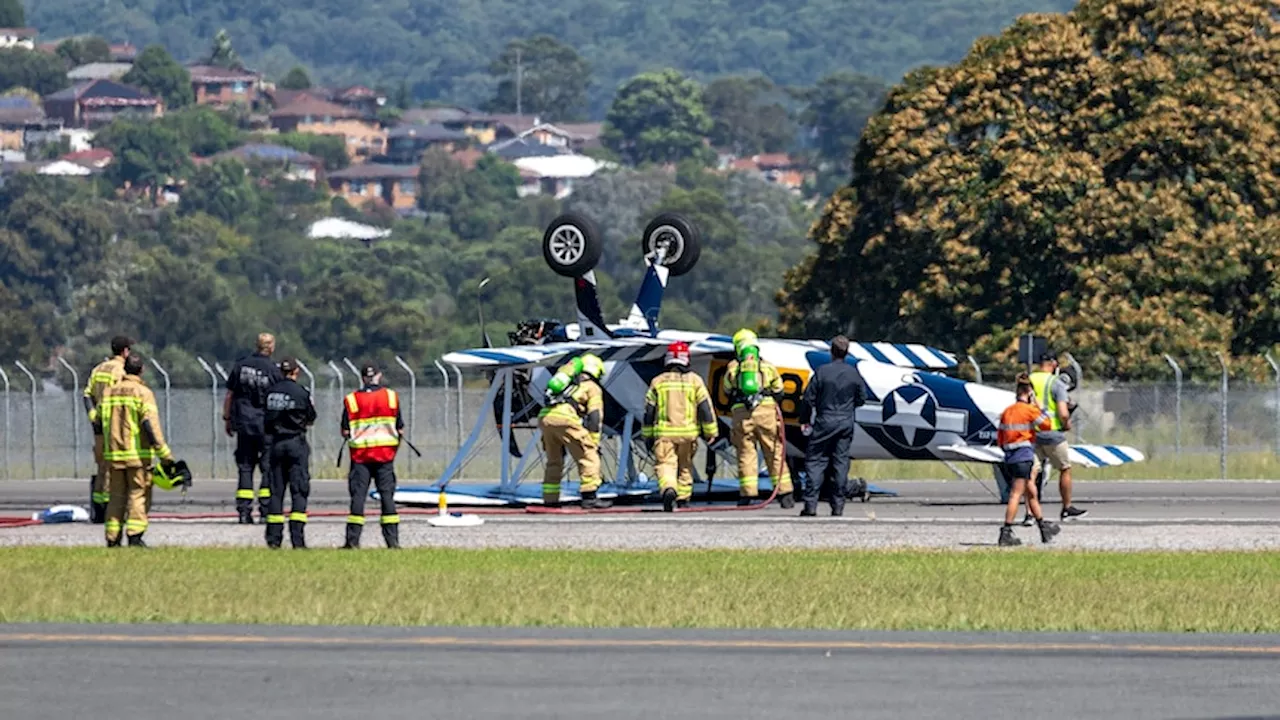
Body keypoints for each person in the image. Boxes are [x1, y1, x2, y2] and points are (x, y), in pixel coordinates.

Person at [101, 354, 175, 548]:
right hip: (137, 456)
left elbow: (100, 422)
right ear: (142, 370)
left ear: (125, 369)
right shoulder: (143, 392)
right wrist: (164, 454)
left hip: (113, 456)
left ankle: (112, 537)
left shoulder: (109, 392)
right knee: (137, 495)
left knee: (116, 497)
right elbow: (150, 425)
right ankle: (134, 536)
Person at [643, 341, 719, 512]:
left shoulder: (658, 382)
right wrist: (710, 432)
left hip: (664, 435)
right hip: (688, 434)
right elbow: (705, 409)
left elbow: (648, 412)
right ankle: (683, 499)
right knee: (685, 466)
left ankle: (669, 489)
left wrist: (647, 435)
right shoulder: (695, 381)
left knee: (665, 465)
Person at [723, 329, 794, 508]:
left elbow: (726, 390)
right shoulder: (767, 367)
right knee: (774, 452)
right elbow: (779, 390)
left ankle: (747, 496)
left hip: (741, 414)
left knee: (746, 454)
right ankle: (785, 494)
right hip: (766, 413)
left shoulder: (733, 367)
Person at [799, 335, 865, 517]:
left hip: (824, 421)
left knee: (815, 461)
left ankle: (810, 505)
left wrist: (804, 419)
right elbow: (861, 398)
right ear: (846, 352)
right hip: (845, 423)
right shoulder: (854, 373)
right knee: (840, 463)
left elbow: (808, 399)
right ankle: (838, 507)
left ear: (831, 351)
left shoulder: (821, 372)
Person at [341, 362, 404, 549]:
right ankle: (392, 542)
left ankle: (352, 541)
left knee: (358, 498)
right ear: (379, 375)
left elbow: (345, 431)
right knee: (387, 498)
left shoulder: (351, 400)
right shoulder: (391, 397)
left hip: (360, 457)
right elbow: (400, 428)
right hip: (385, 456)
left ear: (362, 378)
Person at [224, 333, 284, 524]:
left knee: (245, 466)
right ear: (271, 347)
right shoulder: (273, 371)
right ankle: (265, 509)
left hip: (244, 424)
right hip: (266, 425)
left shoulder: (241, 365)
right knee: (268, 467)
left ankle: (244, 510)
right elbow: (278, 399)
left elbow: (230, 395)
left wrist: (227, 418)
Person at [997, 374, 1062, 546]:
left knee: (1031, 492)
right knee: (1016, 494)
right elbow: (1046, 425)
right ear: (1029, 392)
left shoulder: (1007, 411)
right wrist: (1038, 405)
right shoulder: (1029, 410)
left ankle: (1043, 527)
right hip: (1023, 457)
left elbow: (1000, 438)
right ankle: (1006, 532)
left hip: (1010, 458)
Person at [539, 353, 610, 509]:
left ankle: (550, 499)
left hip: (545, 417)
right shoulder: (592, 388)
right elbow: (594, 417)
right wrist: (594, 441)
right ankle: (589, 496)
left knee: (554, 460)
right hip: (565, 418)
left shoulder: (568, 383)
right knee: (588, 456)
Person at [264, 357, 316, 549]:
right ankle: (297, 539)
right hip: (296, 443)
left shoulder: (270, 393)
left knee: (276, 492)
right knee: (299, 490)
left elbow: (266, 419)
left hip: (276, 444)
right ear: (296, 372)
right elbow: (311, 418)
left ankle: (274, 539)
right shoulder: (301, 393)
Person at [1029, 351, 1086, 521]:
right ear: (1053, 364)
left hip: (1031, 432)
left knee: (1031, 472)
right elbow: (1062, 412)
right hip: (1053, 433)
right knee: (1064, 468)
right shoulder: (1056, 383)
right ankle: (1066, 508)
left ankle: (1030, 513)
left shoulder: (1029, 379)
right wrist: (1066, 424)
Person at [82, 335, 132, 524]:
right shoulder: (121, 371)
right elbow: (122, 398)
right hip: (116, 427)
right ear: (125, 351)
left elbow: (86, 395)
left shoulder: (98, 369)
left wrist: (94, 417)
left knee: (102, 466)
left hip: (99, 427)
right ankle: (116, 510)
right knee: (117, 468)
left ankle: (99, 510)